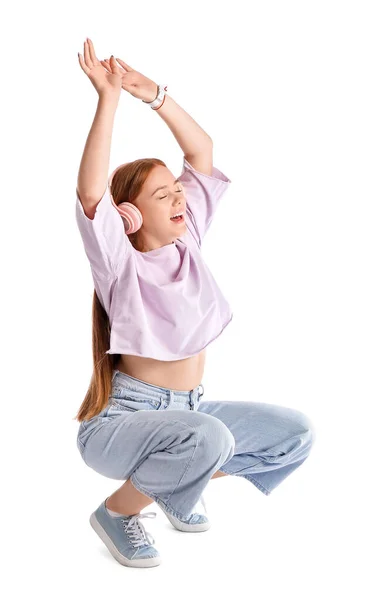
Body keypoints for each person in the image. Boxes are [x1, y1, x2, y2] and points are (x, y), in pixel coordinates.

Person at [75, 38, 316, 569]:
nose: (179, 197)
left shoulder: (189, 241)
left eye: (177, 191)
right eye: (163, 195)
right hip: (121, 425)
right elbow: (92, 193)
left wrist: (151, 93)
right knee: (208, 435)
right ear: (130, 219)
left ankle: (179, 475)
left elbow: (201, 152)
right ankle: (119, 513)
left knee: (294, 432)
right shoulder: (120, 264)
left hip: (188, 413)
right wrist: (108, 100)